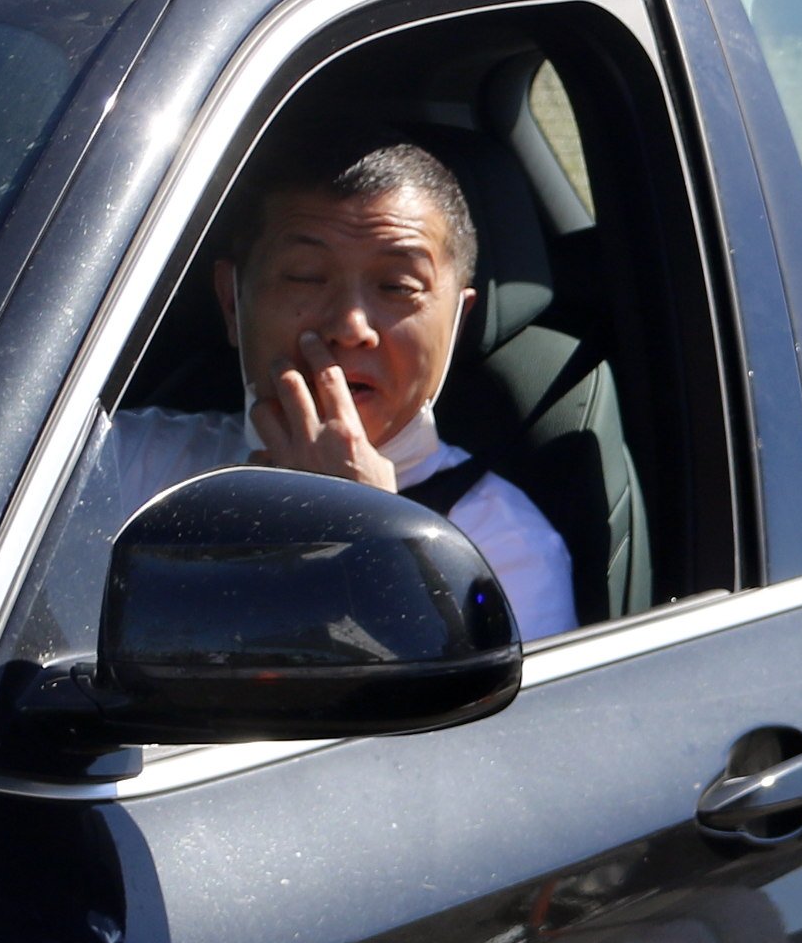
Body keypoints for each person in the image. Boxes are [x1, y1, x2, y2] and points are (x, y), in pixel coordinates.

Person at [31, 139, 576, 659]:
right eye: (305, 277)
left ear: (457, 319)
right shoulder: (113, 467)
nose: (349, 326)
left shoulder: (504, 548)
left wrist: (367, 537)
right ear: (231, 304)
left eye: (397, 287)